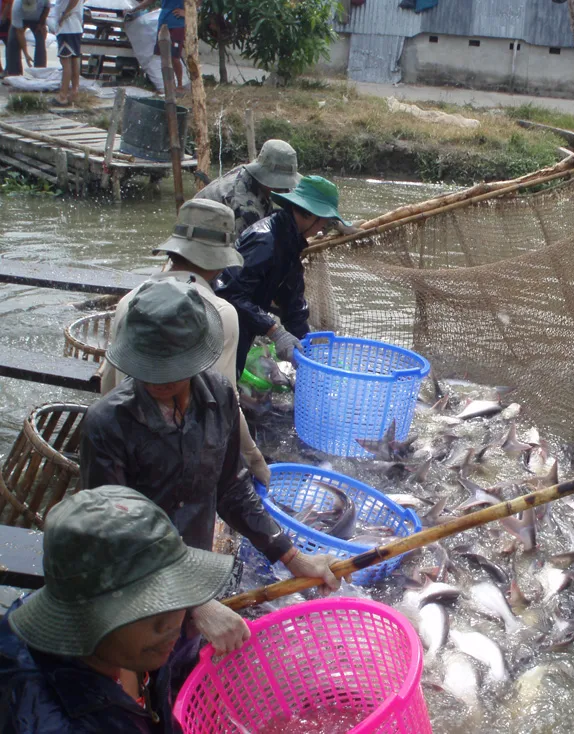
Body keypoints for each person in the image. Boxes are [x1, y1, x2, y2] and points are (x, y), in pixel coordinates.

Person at [78, 279, 340, 680]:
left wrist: (292, 556)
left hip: (195, 571)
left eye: (172, 366)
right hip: (132, 592)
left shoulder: (218, 396)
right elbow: (112, 539)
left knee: (179, 682)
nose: (158, 379)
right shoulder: (107, 424)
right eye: (150, 364)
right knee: (132, 692)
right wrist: (194, 602)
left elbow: (231, 487)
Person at [0, 485, 237, 733]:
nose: (169, 624)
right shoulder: (58, 723)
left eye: (172, 595)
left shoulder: (129, 640)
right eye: (144, 607)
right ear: (82, 615)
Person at [98, 199, 271, 486]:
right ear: (219, 266)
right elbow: (226, 403)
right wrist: (254, 459)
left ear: (174, 251)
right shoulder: (221, 314)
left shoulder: (130, 301)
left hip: (121, 449)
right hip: (175, 464)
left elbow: (108, 383)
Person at [216, 175, 351, 374]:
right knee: (222, 383)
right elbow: (230, 294)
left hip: (247, 323)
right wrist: (274, 331)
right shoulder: (265, 240)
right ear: (309, 214)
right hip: (224, 329)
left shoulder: (289, 242)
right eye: (325, 221)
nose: (325, 226)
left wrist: (308, 348)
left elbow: (292, 304)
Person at [194, 139, 301, 239]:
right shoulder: (245, 207)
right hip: (200, 238)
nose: (285, 189)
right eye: (281, 184)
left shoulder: (251, 175)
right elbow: (245, 251)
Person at [127, 0, 184, 89]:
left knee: (175, 57)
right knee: (162, 56)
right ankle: (168, 85)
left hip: (177, 24)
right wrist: (133, 10)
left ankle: (180, 85)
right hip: (163, 21)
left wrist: (187, 13)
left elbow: (198, 2)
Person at [5, 0, 48, 77]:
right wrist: (26, 54)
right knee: (12, 41)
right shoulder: (17, 6)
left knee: (40, 41)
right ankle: (14, 73)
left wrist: (42, 23)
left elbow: (47, 8)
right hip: (21, 18)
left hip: (37, 19)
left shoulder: (44, 1)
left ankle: (40, 71)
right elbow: (20, 33)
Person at [52, 0, 81, 106]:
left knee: (66, 62)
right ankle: (74, 92)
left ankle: (63, 95)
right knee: (74, 60)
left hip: (67, 27)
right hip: (75, 26)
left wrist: (64, 15)